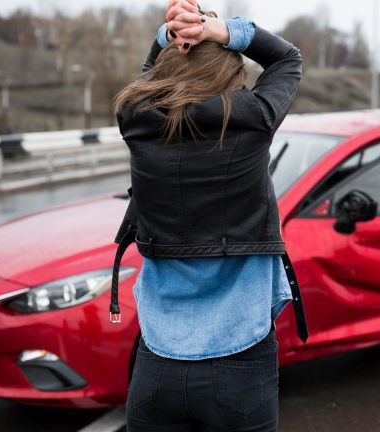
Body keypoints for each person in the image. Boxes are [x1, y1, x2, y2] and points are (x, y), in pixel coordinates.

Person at [109, 1, 308, 430]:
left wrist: (173, 33)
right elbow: (287, 58)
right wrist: (218, 30)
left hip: (156, 363)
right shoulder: (253, 120)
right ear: (232, 78)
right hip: (240, 362)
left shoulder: (136, 121)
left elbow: (149, 74)